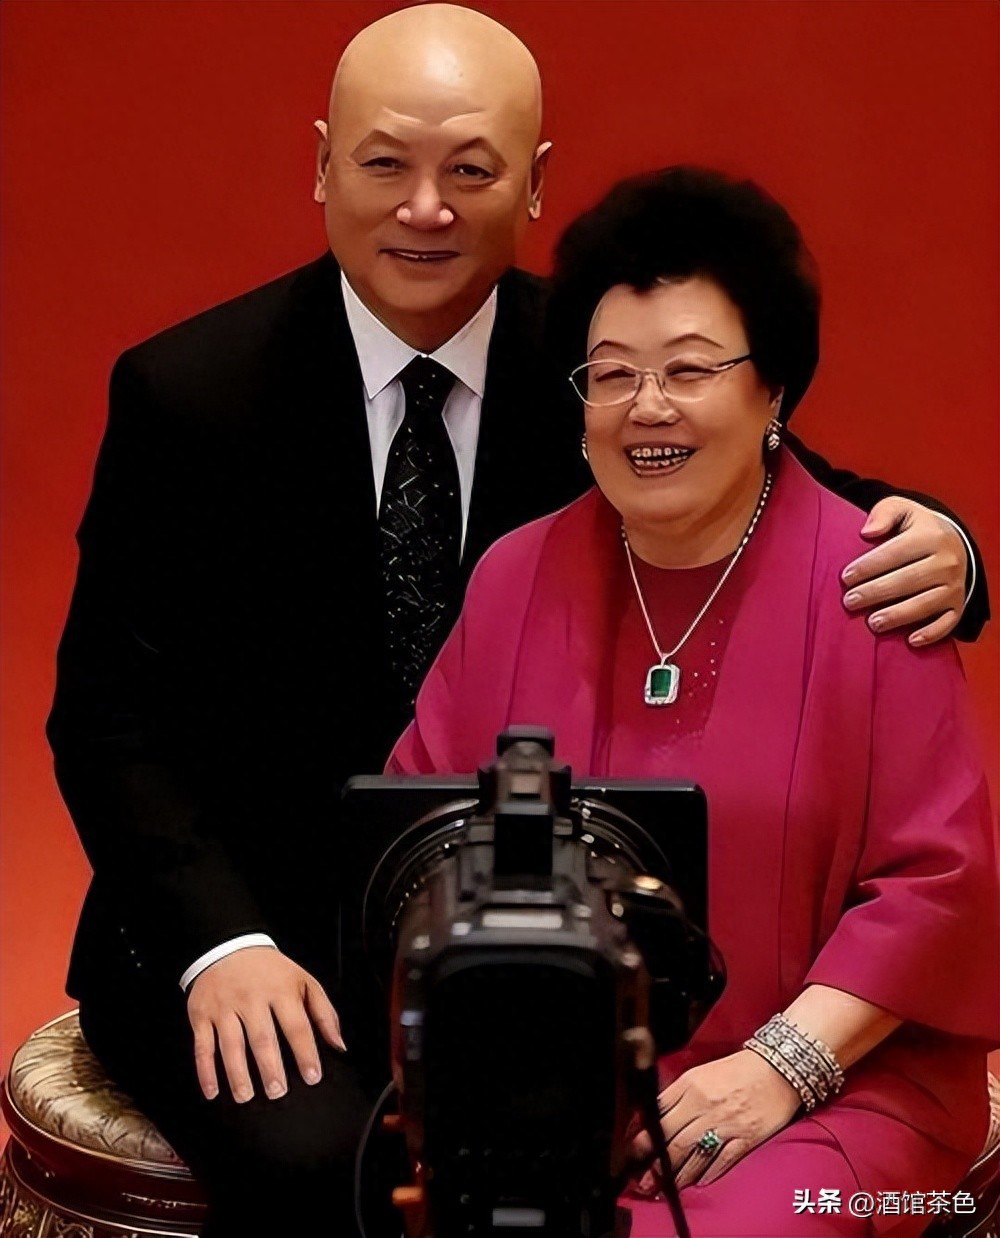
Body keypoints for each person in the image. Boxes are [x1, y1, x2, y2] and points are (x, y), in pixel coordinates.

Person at [46, 4, 989, 1235]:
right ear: (322, 163)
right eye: (385, 161)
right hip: (253, 931)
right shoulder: (189, 394)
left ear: (535, 183)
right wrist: (225, 946)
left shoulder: (596, 354)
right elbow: (109, 721)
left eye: (470, 171)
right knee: (348, 1171)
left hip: (546, 957)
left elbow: (778, 486)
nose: (424, 207)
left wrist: (952, 547)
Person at [387, 166, 998, 1237]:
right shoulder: (517, 576)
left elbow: (937, 887)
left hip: (838, 1092)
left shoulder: (875, 583)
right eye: (612, 374)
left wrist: (777, 1068)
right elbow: (421, 830)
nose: (647, 407)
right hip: (555, 1087)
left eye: (689, 369)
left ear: (774, 392)